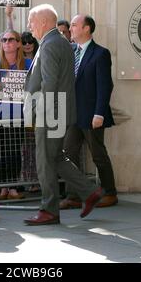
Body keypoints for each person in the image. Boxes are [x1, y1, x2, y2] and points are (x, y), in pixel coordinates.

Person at [23, 4, 103, 225]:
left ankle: (49, 209)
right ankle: (90, 191)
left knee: (45, 162)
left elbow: (50, 82)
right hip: (60, 110)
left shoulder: (49, 44)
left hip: (50, 112)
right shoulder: (62, 42)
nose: (29, 26)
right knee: (56, 157)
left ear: (43, 22)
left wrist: (39, 112)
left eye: (31, 21)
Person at [60, 14, 118, 209]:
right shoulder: (71, 51)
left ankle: (110, 193)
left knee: (98, 154)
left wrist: (99, 113)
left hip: (92, 115)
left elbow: (105, 86)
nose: (71, 28)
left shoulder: (100, 53)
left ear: (86, 29)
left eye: (75, 25)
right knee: (68, 153)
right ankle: (73, 195)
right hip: (74, 115)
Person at [0, 30, 32, 201]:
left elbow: (32, 82)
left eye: (11, 40)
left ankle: (12, 187)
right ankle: (1, 187)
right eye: (4, 40)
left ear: (18, 43)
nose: (7, 43)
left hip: (17, 113)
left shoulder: (27, 63)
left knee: (13, 149)